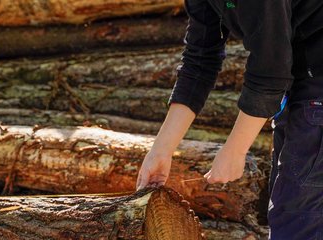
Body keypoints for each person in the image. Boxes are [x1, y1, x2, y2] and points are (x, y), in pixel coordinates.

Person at [135, 0, 323, 238]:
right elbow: (199, 59)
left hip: (314, 85)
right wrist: (160, 151)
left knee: (296, 223)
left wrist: (235, 150)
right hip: (300, 86)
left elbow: (270, 69)